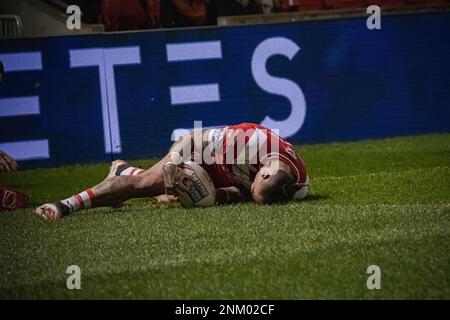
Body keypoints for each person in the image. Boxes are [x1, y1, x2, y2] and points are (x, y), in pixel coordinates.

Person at [34, 123, 309, 220]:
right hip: (201, 153)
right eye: (255, 189)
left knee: (173, 198)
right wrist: (171, 165)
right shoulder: (247, 140)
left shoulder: (295, 189)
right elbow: (190, 139)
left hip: (225, 176)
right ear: (263, 173)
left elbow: (247, 193)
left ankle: (123, 169)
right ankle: (65, 206)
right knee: (148, 184)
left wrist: (217, 197)